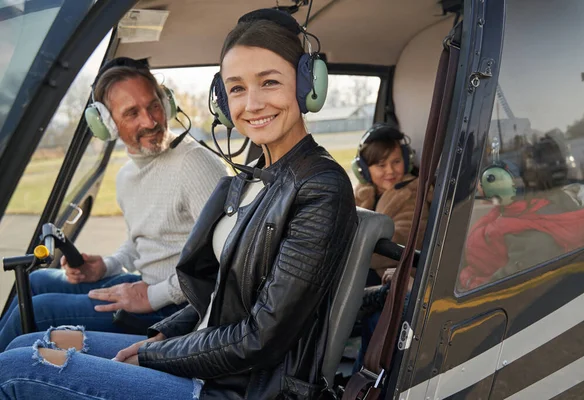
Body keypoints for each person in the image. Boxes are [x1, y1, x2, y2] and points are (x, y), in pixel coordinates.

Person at [0, 9, 357, 400]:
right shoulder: (251, 179)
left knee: (15, 369)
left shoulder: (321, 186)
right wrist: (166, 331)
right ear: (222, 99)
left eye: (269, 82)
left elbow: (260, 338)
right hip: (202, 354)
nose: (252, 104)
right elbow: (220, 292)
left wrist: (158, 353)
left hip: (239, 388)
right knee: (23, 346)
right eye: (236, 88)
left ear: (306, 86)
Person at [0, 58, 229, 351]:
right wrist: (107, 266)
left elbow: (226, 261)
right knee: (38, 281)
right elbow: (144, 241)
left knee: (37, 311)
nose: (150, 121)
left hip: (181, 310)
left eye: (154, 105)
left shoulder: (195, 164)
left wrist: (153, 296)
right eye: (132, 113)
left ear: (167, 102)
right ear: (106, 124)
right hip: (150, 289)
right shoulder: (127, 176)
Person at [350, 123, 430, 372]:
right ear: (364, 169)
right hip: (370, 278)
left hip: (400, 280)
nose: (390, 171)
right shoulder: (363, 194)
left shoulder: (413, 193)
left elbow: (404, 239)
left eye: (396, 162)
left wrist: (353, 247)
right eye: (380, 165)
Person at [459, 162, 584, 290]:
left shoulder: (533, 236)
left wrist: (467, 280)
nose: (480, 189)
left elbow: (497, 290)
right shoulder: (523, 208)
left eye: (489, 182)